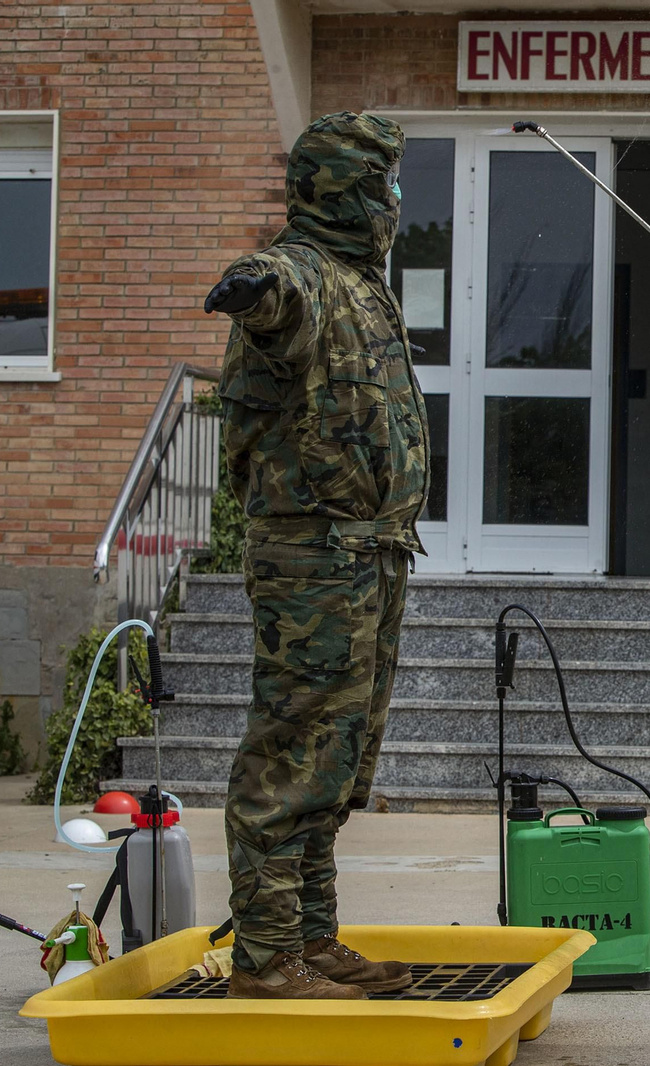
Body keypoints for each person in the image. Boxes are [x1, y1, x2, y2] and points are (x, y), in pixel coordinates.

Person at [203, 111, 430, 1000]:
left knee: (338, 758)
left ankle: (310, 937)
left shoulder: (362, 282)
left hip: (368, 557)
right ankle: (265, 957)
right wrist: (248, 288)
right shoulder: (302, 271)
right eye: (381, 184)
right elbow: (271, 297)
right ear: (342, 189)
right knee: (293, 750)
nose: (394, 201)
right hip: (313, 559)